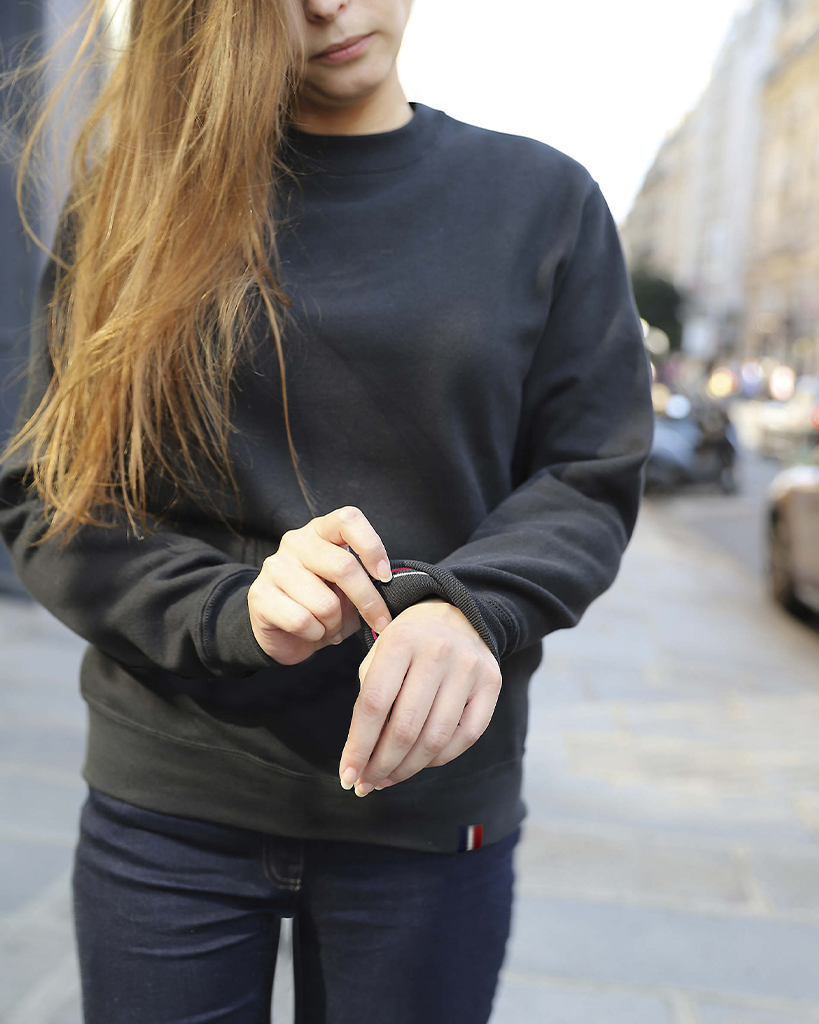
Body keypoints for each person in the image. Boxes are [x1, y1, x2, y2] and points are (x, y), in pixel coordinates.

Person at [0, 0, 654, 1021]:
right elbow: (53, 500)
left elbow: (588, 473)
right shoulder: (137, 201)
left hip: (428, 810)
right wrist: (230, 608)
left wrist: (468, 606)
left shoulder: (543, 200)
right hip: (172, 803)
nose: (325, 6)